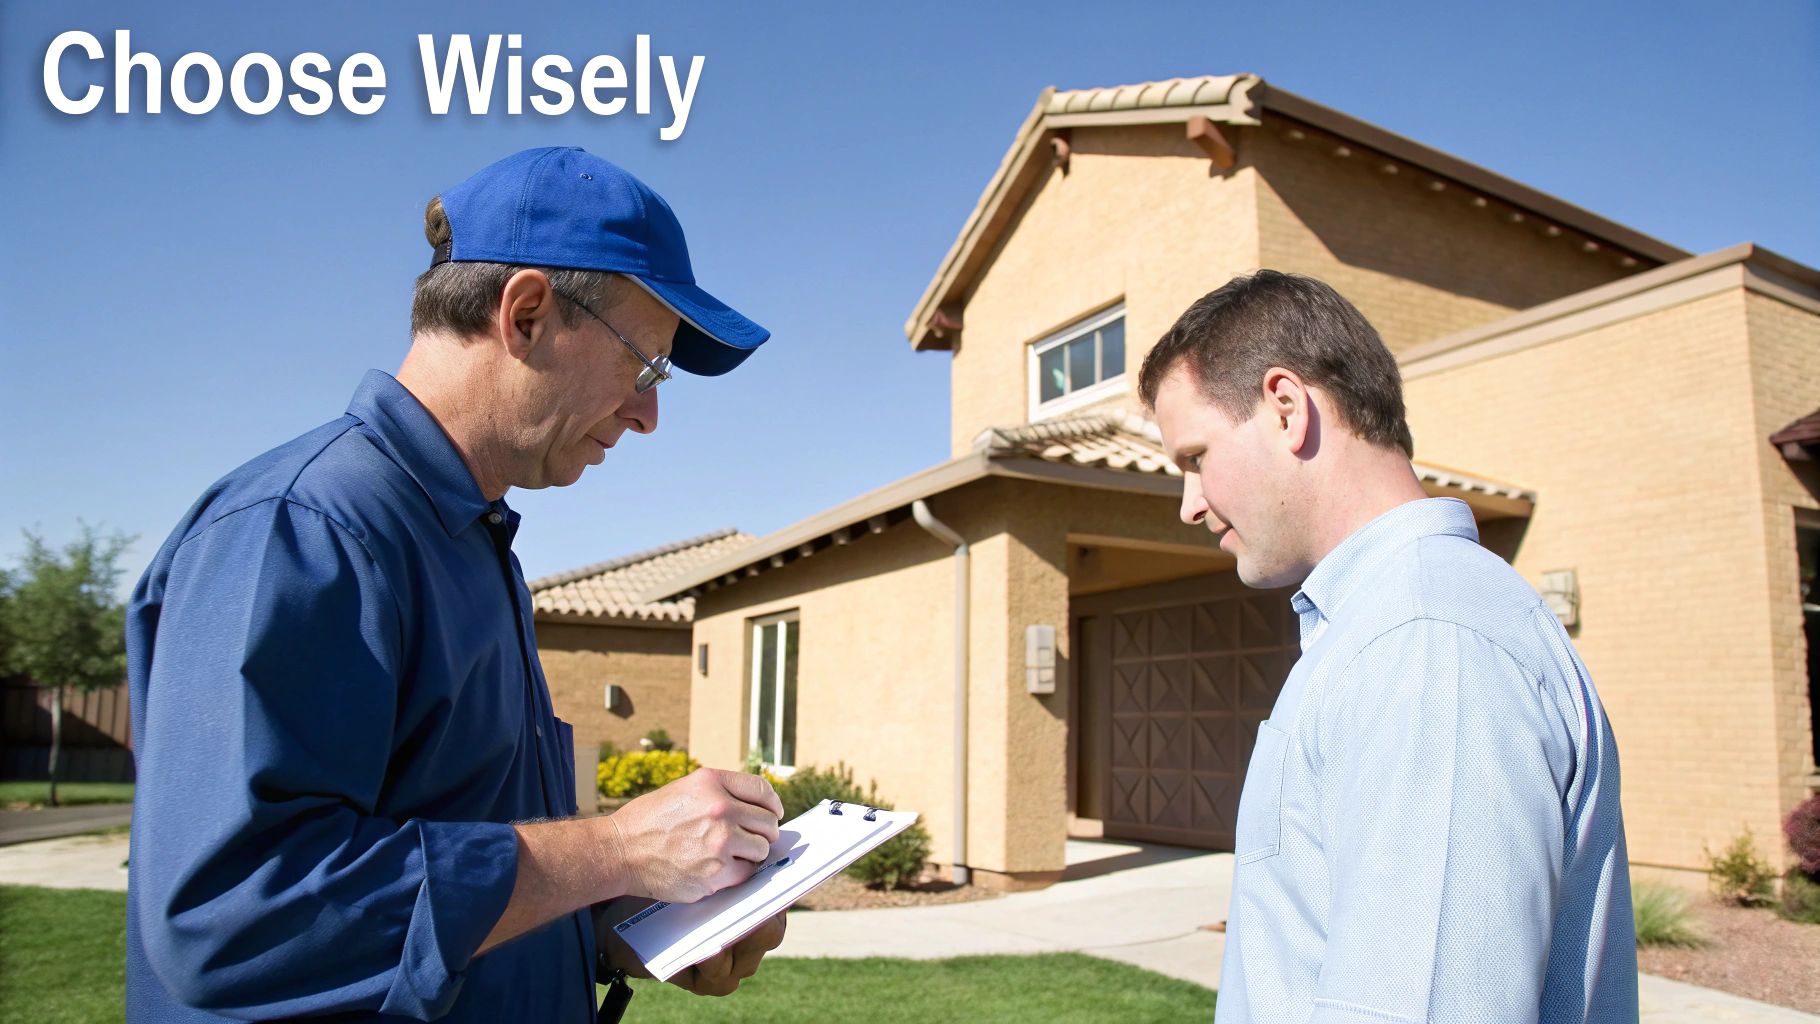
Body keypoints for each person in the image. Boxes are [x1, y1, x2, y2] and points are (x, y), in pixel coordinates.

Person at [125, 146, 787, 1022]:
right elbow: (234, 917)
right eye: (647, 364)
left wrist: (618, 927)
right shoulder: (304, 529)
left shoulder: (476, 549)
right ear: (526, 314)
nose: (647, 414)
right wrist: (617, 850)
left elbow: (447, 872)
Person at [1139, 271, 1636, 1023]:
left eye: (1195, 458)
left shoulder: (1427, 642)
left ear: (1285, 407)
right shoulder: (1384, 630)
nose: (1190, 504)